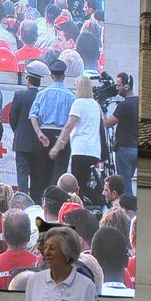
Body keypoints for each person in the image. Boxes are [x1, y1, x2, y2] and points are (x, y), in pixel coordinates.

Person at [54, 76, 103, 207]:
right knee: (88, 183)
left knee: (78, 185)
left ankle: (78, 207)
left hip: (80, 149)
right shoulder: (96, 105)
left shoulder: (78, 103)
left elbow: (69, 125)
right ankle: (96, 204)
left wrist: (58, 145)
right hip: (94, 150)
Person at [28, 60, 73, 190]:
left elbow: (33, 116)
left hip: (44, 132)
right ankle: (56, 198)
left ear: (52, 76)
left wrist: (39, 133)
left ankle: (42, 200)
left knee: (42, 171)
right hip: (62, 134)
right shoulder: (70, 96)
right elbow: (73, 121)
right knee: (59, 172)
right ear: (63, 76)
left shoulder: (42, 94)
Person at [9, 61, 45, 197]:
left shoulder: (20, 95)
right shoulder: (43, 96)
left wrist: (18, 131)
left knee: (22, 175)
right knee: (37, 176)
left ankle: (23, 202)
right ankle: (35, 203)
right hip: (38, 142)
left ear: (28, 79)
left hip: (22, 142)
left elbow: (13, 117)